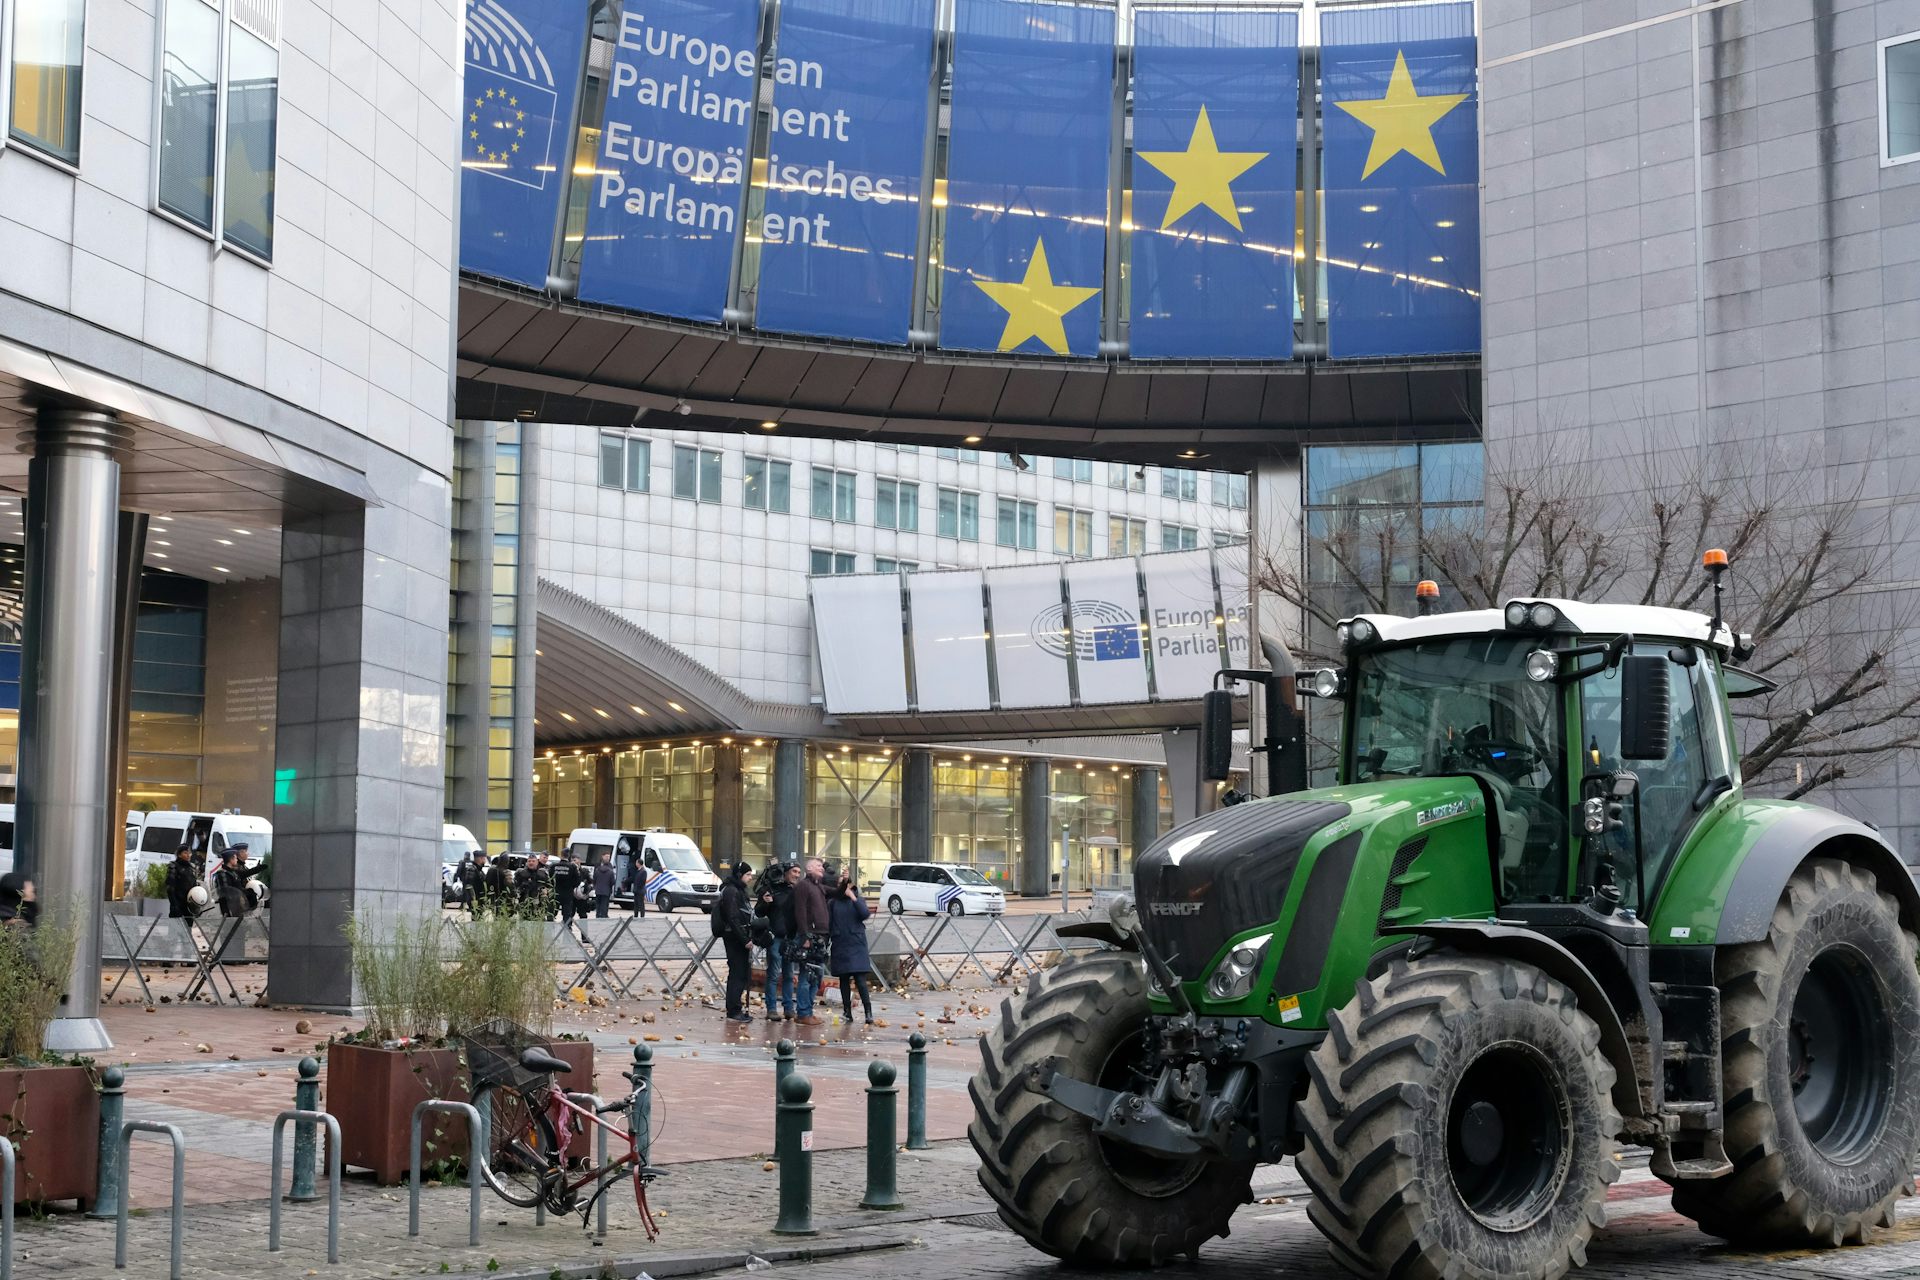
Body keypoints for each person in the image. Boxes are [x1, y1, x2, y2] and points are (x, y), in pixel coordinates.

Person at [827, 872, 874, 1024]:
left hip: (856, 943)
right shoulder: (833, 902)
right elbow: (829, 924)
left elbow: (865, 914)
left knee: (860, 979)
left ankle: (868, 1012)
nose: (842, 887)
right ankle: (847, 1011)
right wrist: (827, 940)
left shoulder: (858, 899)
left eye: (845, 884)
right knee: (843, 979)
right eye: (840, 884)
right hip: (840, 943)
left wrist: (853, 897)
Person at [713, 861, 756, 1022]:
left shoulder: (737, 890)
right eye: (748, 875)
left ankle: (736, 1007)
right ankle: (734, 1009)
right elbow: (732, 917)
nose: (750, 878)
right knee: (737, 974)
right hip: (734, 938)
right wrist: (744, 939)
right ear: (739, 875)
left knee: (741, 974)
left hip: (738, 937)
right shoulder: (731, 891)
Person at [755, 861, 797, 1020]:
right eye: (794, 872)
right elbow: (758, 912)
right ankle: (771, 1009)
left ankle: (788, 1009)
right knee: (773, 974)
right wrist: (765, 903)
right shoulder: (771, 890)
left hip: (790, 938)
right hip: (775, 938)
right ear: (785, 873)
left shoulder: (794, 891)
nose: (797, 875)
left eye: (799, 872)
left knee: (789, 974)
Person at [790, 860, 830, 1027]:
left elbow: (837, 892)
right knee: (807, 976)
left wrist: (845, 883)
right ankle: (803, 1012)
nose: (822, 869)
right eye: (819, 866)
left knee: (817, 976)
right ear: (810, 869)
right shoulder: (803, 886)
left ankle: (808, 1010)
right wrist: (805, 935)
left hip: (821, 936)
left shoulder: (818, 886)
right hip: (810, 936)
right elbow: (800, 911)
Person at [166, 845, 200, 918]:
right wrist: (174, 904)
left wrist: (197, 904)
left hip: (189, 905)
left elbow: (195, 887)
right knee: (176, 927)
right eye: (185, 853)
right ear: (179, 855)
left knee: (188, 928)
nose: (188, 855)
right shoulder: (173, 867)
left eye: (189, 853)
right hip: (177, 903)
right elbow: (170, 888)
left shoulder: (192, 868)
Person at [213, 850, 248, 917]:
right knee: (231, 925)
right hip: (230, 907)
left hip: (237, 905)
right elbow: (226, 892)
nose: (237, 860)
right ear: (231, 859)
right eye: (235, 858)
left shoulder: (232, 872)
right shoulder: (222, 874)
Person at [553, 850, 582, 926]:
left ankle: (550, 933)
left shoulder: (554, 866)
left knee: (552, 914)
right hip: (568, 894)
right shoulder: (572, 867)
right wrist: (571, 886)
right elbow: (577, 881)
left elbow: (549, 880)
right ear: (568, 856)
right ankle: (566, 932)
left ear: (561, 855)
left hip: (555, 893)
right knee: (567, 915)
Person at [593, 853, 615, 919]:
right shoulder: (610, 872)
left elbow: (594, 879)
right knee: (605, 904)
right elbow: (613, 882)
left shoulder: (597, 870)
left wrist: (596, 886)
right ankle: (604, 915)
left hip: (598, 890)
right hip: (606, 890)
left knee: (598, 903)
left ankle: (598, 915)